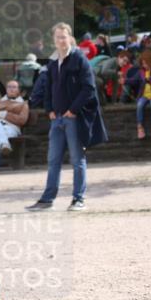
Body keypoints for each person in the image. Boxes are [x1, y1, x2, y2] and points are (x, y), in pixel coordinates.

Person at [26, 22, 108, 212]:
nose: (61, 40)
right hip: (57, 120)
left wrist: (73, 110)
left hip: (73, 118)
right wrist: (49, 110)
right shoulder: (53, 63)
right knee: (53, 161)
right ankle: (47, 199)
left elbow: (89, 88)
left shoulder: (80, 59)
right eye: (58, 37)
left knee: (77, 160)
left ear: (70, 38)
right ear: (53, 40)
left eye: (64, 36)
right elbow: (49, 89)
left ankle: (78, 199)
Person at [0, 80, 29, 172]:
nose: (11, 89)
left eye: (14, 87)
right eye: (9, 87)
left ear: (19, 90)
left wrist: (3, 114)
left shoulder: (23, 104)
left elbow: (22, 120)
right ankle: (4, 144)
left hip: (11, 128)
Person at [125, 50, 151, 137]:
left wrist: (150, 81)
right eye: (143, 64)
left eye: (146, 63)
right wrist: (125, 81)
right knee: (139, 105)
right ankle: (140, 126)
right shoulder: (141, 72)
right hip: (144, 95)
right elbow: (133, 80)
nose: (145, 65)